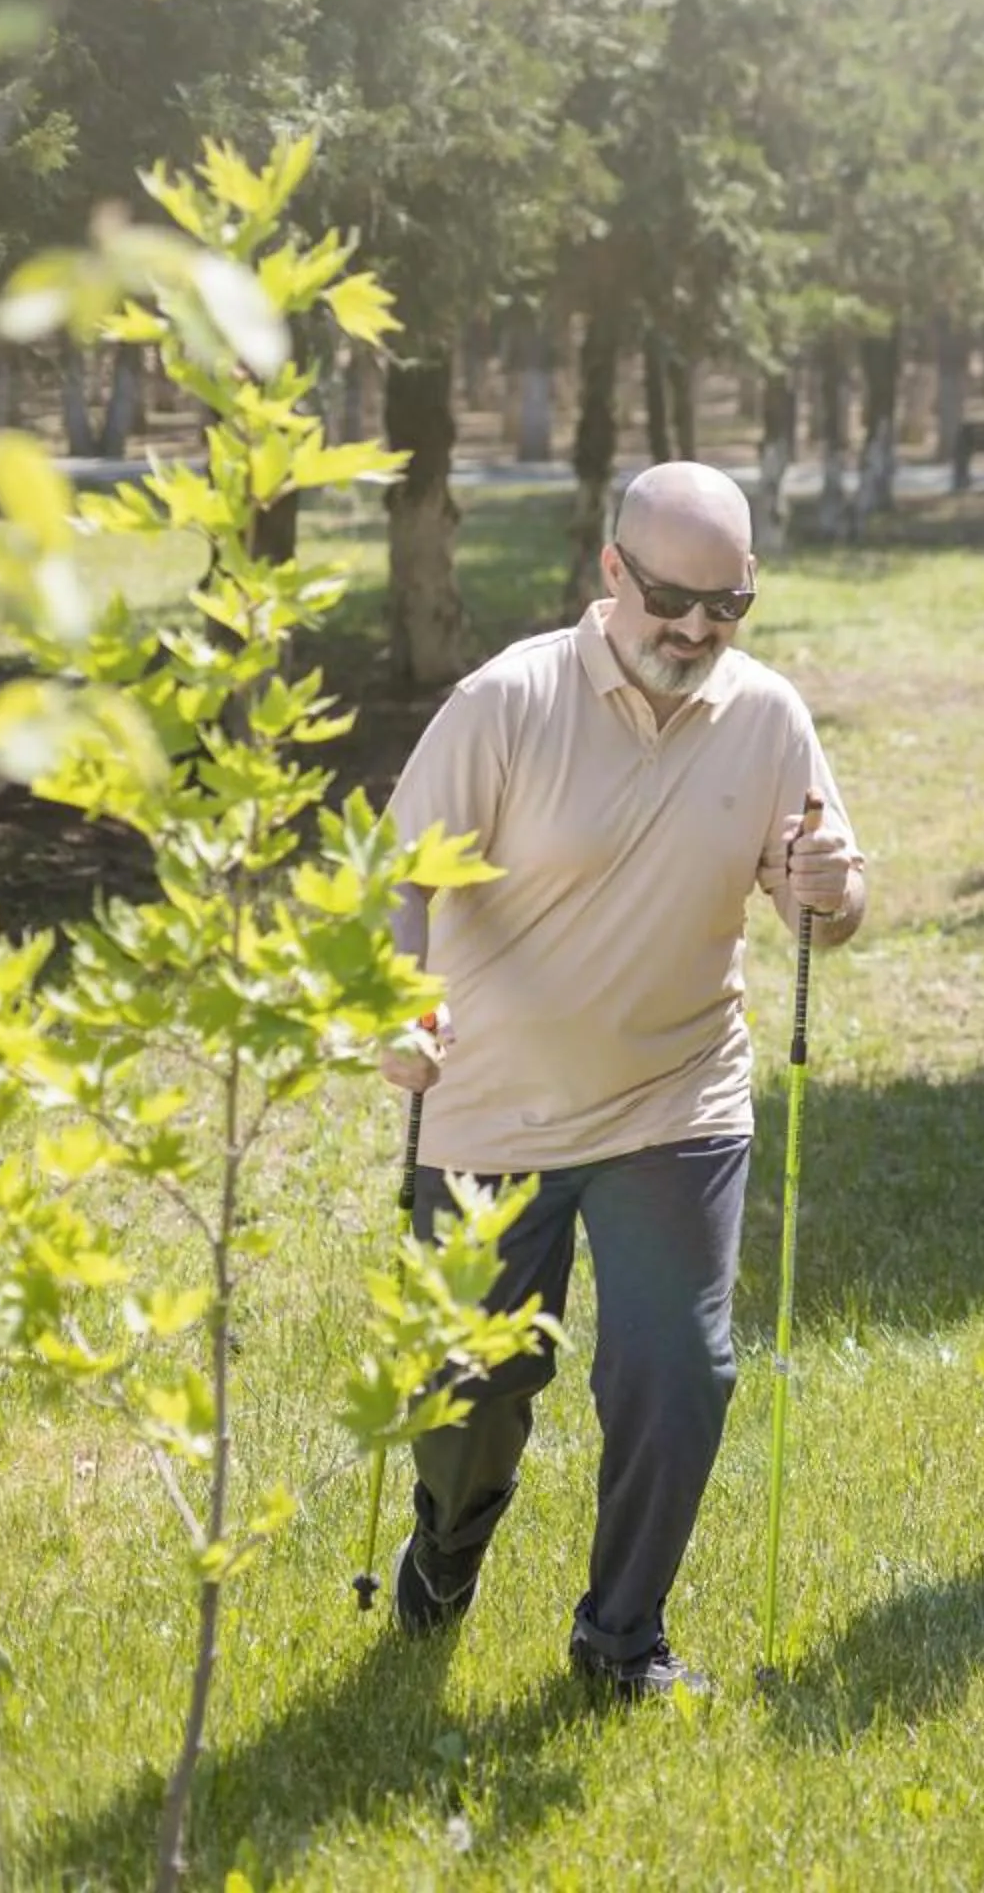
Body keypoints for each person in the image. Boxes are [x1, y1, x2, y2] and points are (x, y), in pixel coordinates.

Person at [379, 460, 867, 1699]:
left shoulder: (767, 716)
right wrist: (397, 1010)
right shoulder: (510, 698)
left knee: (677, 1367)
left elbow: (828, 902)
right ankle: (445, 1541)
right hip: (493, 1101)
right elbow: (401, 878)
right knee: (473, 1384)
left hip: (677, 1096)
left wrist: (831, 892)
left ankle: (619, 1637)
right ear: (612, 573)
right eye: (673, 599)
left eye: (729, 604)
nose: (697, 630)